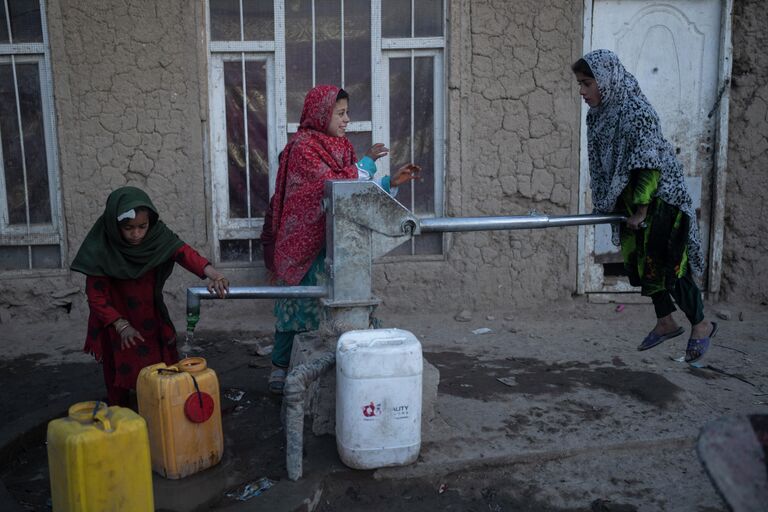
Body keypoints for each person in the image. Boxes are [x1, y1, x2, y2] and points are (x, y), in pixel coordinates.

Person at [265, 84, 421, 394]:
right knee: (296, 304)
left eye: (347, 112)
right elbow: (331, 184)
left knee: (348, 300)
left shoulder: (343, 147)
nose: (347, 119)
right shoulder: (303, 147)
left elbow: (355, 192)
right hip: (303, 243)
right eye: (340, 113)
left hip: (340, 240)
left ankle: (347, 364)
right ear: (321, 113)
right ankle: (280, 367)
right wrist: (365, 164)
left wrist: (391, 182)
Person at [573, 49, 717, 363]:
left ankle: (701, 324)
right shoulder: (599, 114)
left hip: (660, 199)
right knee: (642, 265)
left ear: (606, 81)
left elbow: (648, 165)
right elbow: (604, 162)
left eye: (586, 83)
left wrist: (641, 210)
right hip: (633, 200)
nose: (582, 92)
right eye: (580, 84)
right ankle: (665, 322)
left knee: (669, 269)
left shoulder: (636, 109)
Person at [71, 186, 230, 406]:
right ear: (114, 225)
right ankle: (121, 418)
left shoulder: (157, 234)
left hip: (149, 313)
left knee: (162, 367)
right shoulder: (101, 247)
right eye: (128, 228)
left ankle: (165, 410)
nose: (136, 234)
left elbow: (182, 252)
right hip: (115, 319)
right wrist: (120, 325)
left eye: (141, 227)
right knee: (118, 371)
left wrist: (213, 274)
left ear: (150, 222)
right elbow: (96, 297)